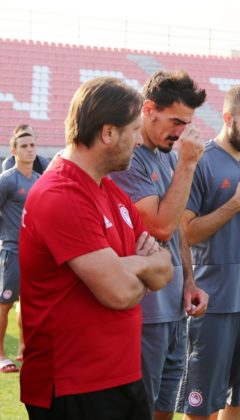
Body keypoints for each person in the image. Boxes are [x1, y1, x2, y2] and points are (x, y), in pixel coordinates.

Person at [19, 77, 174, 419]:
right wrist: (140, 267)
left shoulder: (110, 191)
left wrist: (128, 265)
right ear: (108, 133)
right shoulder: (61, 194)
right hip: (74, 385)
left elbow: (166, 269)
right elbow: (119, 292)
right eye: (134, 130)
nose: (138, 140)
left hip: (121, 375)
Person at [109, 70, 209, 418]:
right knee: (141, 408)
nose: (180, 131)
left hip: (174, 305)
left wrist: (189, 281)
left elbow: (178, 226)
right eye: (175, 121)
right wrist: (188, 163)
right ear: (148, 109)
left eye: (187, 123)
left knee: (166, 407)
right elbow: (161, 226)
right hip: (146, 310)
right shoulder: (128, 158)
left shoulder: (166, 154)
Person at [177, 84, 240, 420]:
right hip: (214, 303)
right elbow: (187, 232)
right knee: (201, 405)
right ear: (227, 118)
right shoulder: (202, 161)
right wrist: (236, 201)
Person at [0, 130, 40, 374]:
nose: (29, 149)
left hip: (34, 252)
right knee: (5, 303)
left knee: (29, 303)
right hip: (12, 250)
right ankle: (0, 355)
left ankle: (24, 349)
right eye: (24, 146)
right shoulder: (7, 180)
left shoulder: (40, 180)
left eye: (32, 145)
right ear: (14, 151)